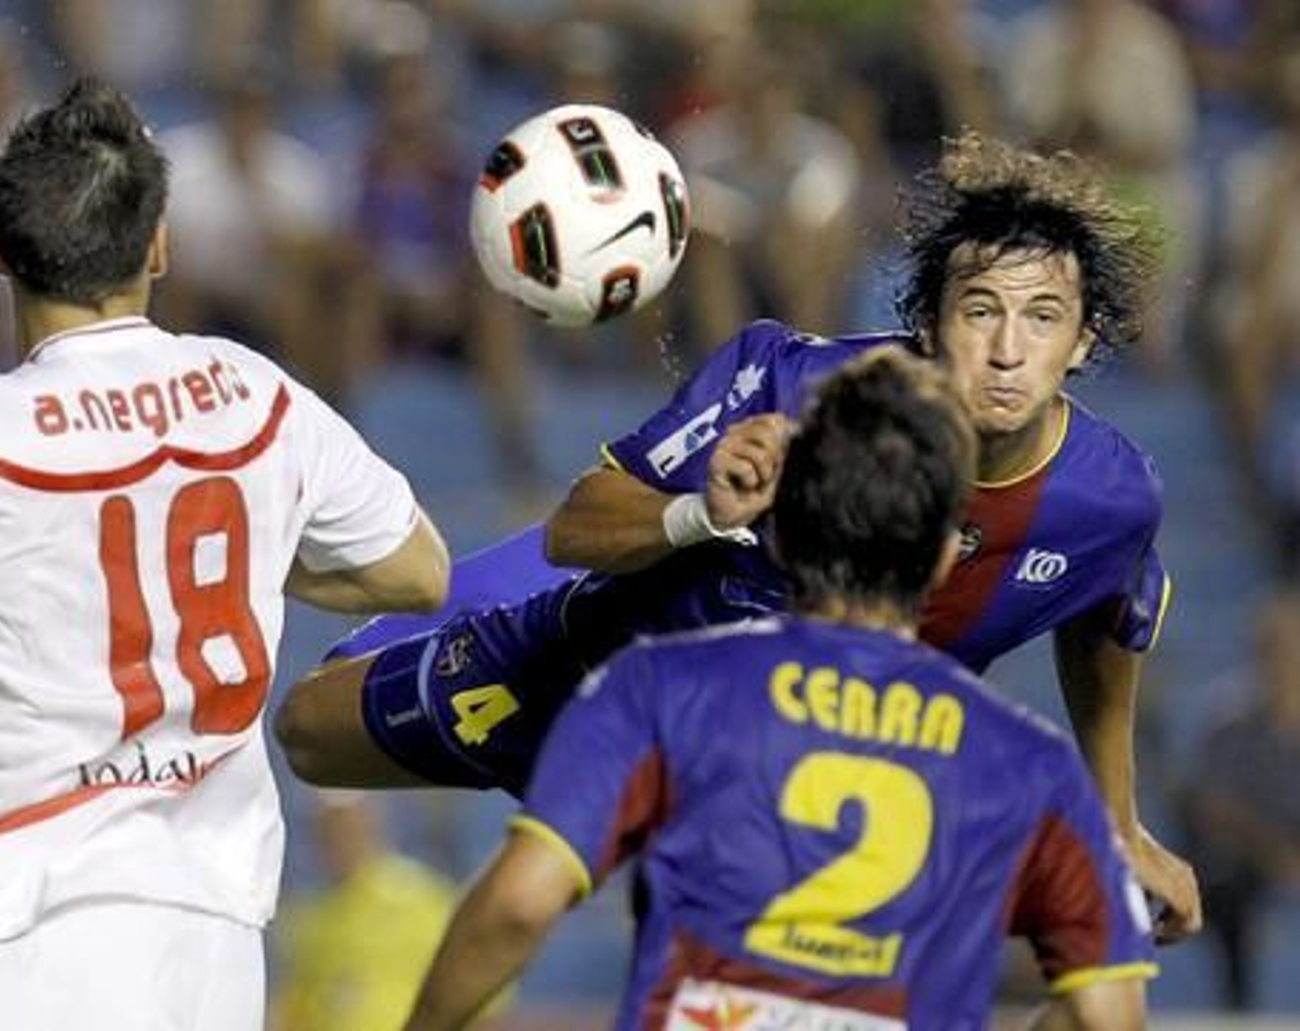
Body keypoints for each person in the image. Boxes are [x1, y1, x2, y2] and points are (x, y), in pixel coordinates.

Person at [275, 131, 1202, 942]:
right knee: (308, 730)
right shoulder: (790, 385)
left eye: (1042, 317)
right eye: (980, 310)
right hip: (591, 678)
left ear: (1084, 342)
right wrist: (707, 512)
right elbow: (576, 528)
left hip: (783, 776)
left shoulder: (1111, 501)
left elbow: (1105, 617)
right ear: (927, 321)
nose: (1007, 350)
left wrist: (1118, 818)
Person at [0, 79, 450, 1031]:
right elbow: (419, 571)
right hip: (209, 947)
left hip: (18, 932)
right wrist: (254, 553)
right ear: (157, 246)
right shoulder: (254, 394)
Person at [402, 350, 1155, 1031]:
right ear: (939, 562)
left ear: (784, 534)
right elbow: (1108, 1015)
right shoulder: (1030, 762)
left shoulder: (662, 686)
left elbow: (519, 903)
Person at [1179, 589, 1300, 1009]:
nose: (1282, 658)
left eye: (1290, 645)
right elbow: (1213, 810)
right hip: (1247, 870)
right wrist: (1276, 856)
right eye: (1271, 646)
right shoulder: (1230, 721)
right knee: (1225, 883)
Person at [274, 792, 462, 1031]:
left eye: (348, 828)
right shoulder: (310, 919)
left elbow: (465, 983)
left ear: (372, 827)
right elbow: (294, 1009)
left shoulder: (423, 898)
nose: (339, 841)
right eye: (330, 831)